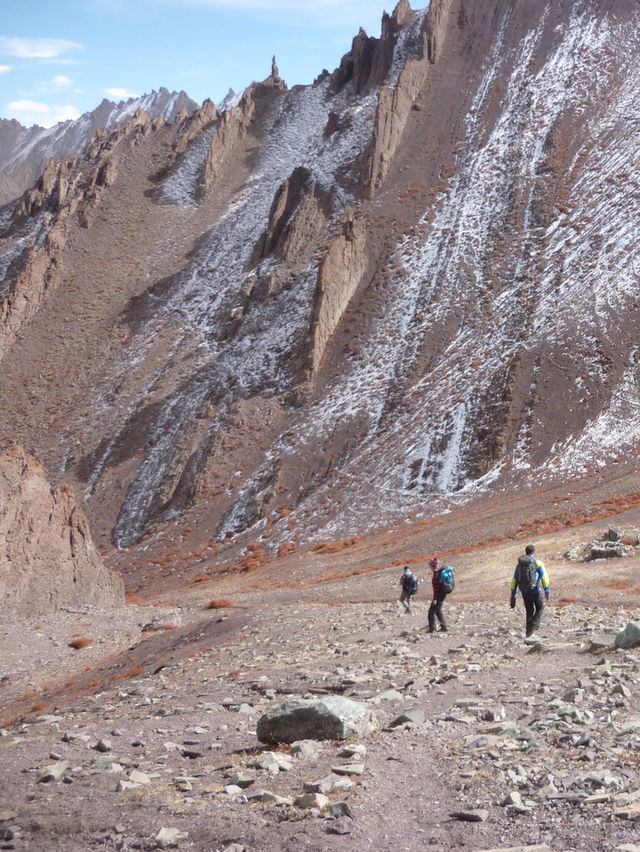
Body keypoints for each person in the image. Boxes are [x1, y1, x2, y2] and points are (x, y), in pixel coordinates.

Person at [510, 544, 550, 637]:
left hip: (524, 591)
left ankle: (528, 633)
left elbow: (514, 579)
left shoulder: (519, 565)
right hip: (535, 590)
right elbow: (544, 577)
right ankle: (533, 627)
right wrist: (547, 590)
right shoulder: (537, 563)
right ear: (533, 552)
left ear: (526, 552)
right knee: (540, 608)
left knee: (529, 611)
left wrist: (512, 594)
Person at [428, 557, 448, 633]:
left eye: (430, 565)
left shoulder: (436, 576)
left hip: (439, 596)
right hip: (442, 595)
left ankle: (432, 629)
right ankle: (444, 627)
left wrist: (435, 599)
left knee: (431, 612)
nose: (429, 567)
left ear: (432, 566)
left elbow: (436, 590)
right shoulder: (439, 573)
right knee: (438, 610)